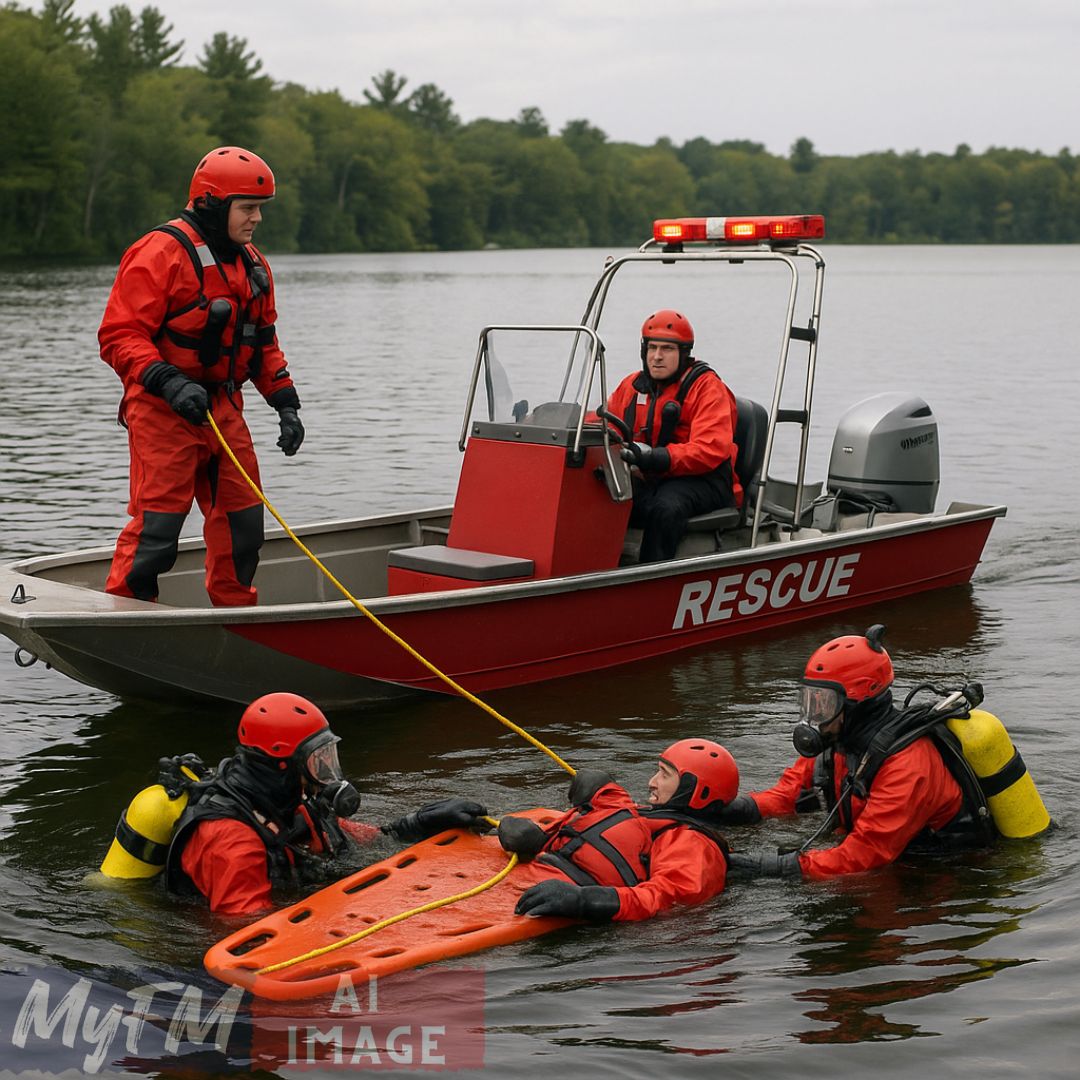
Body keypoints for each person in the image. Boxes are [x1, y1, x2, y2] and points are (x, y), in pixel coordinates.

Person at [99, 145, 305, 608]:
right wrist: (169, 382)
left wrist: (286, 403)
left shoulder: (253, 264)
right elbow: (119, 335)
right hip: (162, 409)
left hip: (223, 409)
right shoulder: (159, 253)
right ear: (213, 203)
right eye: (248, 208)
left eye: (259, 209)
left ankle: (234, 617)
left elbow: (263, 342)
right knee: (158, 530)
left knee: (244, 526)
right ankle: (124, 617)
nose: (256, 219)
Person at [165, 692, 489, 915]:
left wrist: (417, 825)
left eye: (327, 758)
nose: (326, 773)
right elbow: (243, 932)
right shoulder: (232, 842)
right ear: (283, 766)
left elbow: (365, 841)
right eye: (317, 761)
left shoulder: (293, 803)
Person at [720, 626, 993, 881]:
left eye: (824, 704)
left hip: (938, 878)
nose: (815, 716)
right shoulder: (837, 740)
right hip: (885, 860)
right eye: (810, 701)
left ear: (858, 703)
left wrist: (769, 868)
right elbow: (787, 795)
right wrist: (726, 810)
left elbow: (865, 855)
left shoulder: (909, 763)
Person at [503, 738, 737, 922]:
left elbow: (665, 899)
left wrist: (584, 901)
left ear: (693, 789)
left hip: (568, 892)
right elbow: (612, 823)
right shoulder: (652, 815)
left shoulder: (693, 844)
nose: (652, 782)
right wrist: (536, 839)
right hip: (545, 875)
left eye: (665, 775)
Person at [602, 309, 741, 562]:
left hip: (705, 479)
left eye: (667, 349)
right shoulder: (632, 386)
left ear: (684, 353)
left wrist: (658, 457)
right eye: (652, 348)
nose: (656, 357)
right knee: (597, 489)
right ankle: (589, 568)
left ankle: (651, 581)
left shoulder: (707, 388)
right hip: (651, 475)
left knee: (666, 507)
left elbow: (710, 449)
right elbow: (605, 422)